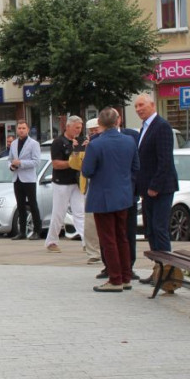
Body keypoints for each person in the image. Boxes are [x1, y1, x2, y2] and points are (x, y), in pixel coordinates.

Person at [82, 108, 139, 292]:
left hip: (102, 196)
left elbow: (87, 170)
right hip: (123, 194)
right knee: (122, 236)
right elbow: (136, 166)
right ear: (118, 121)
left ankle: (115, 279)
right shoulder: (129, 140)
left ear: (100, 124)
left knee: (108, 239)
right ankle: (126, 276)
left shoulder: (96, 144)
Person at [133, 94, 178, 270]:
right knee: (150, 230)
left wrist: (155, 186)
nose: (138, 109)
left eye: (141, 105)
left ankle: (167, 271)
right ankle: (157, 269)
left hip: (160, 188)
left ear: (152, 105)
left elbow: (165, 159)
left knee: (160, 229)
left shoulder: (161, 126)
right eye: (136, 106)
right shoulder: (144, 127)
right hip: (146, 189)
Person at [46, 116, 86, 253]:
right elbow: (56, 164)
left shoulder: (81, 141)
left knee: (80, 212)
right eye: (76, 127)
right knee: (59, 212)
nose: (79, 131)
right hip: (61, 182)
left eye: (80, 128)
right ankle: (51, 241)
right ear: (68, 127)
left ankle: (87, 241)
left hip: (76, 181)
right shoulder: (58, 142)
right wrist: (73, 163)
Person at [8, 120, 43, 240]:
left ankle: (37, 231)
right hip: (17, 178)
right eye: (19, 128)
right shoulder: (13, 144)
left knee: (33, 205)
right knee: (20, 205)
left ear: (27, 129)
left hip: (29, 179)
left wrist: (21, 163)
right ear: (17, 130)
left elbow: (36, 161)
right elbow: (9, 159)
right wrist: (11, 166)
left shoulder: (34, 144)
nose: (21, 130)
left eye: (23, 128)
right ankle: (22, 231)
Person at [80, 117, 102, 265]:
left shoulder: (99, 144)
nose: (93, 133)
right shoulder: (87, 145)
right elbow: (81, 168)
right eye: (91, 131)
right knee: (90, 223)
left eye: (96, 130)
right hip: (89, 187)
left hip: (101, 187)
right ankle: (93, 252)